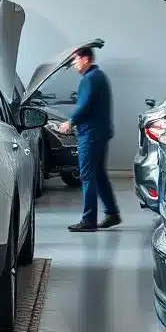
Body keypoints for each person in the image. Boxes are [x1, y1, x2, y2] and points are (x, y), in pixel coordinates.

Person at [57, 46, 121, 232]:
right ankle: (112, 213)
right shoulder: (99, 76)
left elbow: (84, 105)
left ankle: (89, 220)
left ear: (86, 59)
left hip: (90, 134)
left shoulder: (89, 79)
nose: (74, 64)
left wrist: (70, 122)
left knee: (87, 176)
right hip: (100, 133)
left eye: (75, 60)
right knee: (99, 174)